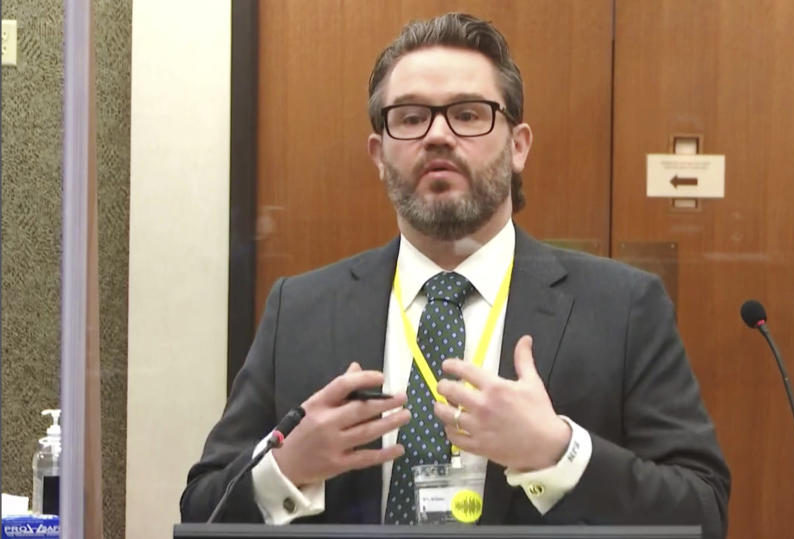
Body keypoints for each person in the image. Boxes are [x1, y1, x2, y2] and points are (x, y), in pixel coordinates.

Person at [180, 12, 730, 538]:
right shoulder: (299, 309)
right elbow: (201, 510)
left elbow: (702, 514)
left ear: (518, 147)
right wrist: (286, 467)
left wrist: (558, 454)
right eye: (412, 117)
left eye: (468, 114)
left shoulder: (623, 307)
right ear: (379, 153)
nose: (438, 135)